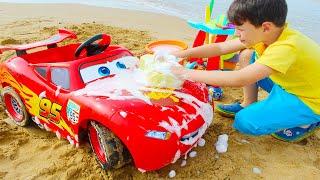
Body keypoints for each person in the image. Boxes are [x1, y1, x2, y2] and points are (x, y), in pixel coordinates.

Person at [171, 0, 320, 142]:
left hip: (308, 99)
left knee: (245, 122)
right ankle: (248, 102)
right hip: (293, 83)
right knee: (248, 55)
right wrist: (182, 54)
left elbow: (240, 78)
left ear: (266, 27)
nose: (236, 33)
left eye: (240, 29)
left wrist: (184, 73)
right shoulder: (269, 34)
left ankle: (307, 122)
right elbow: (220, 48)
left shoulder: (287, 47)